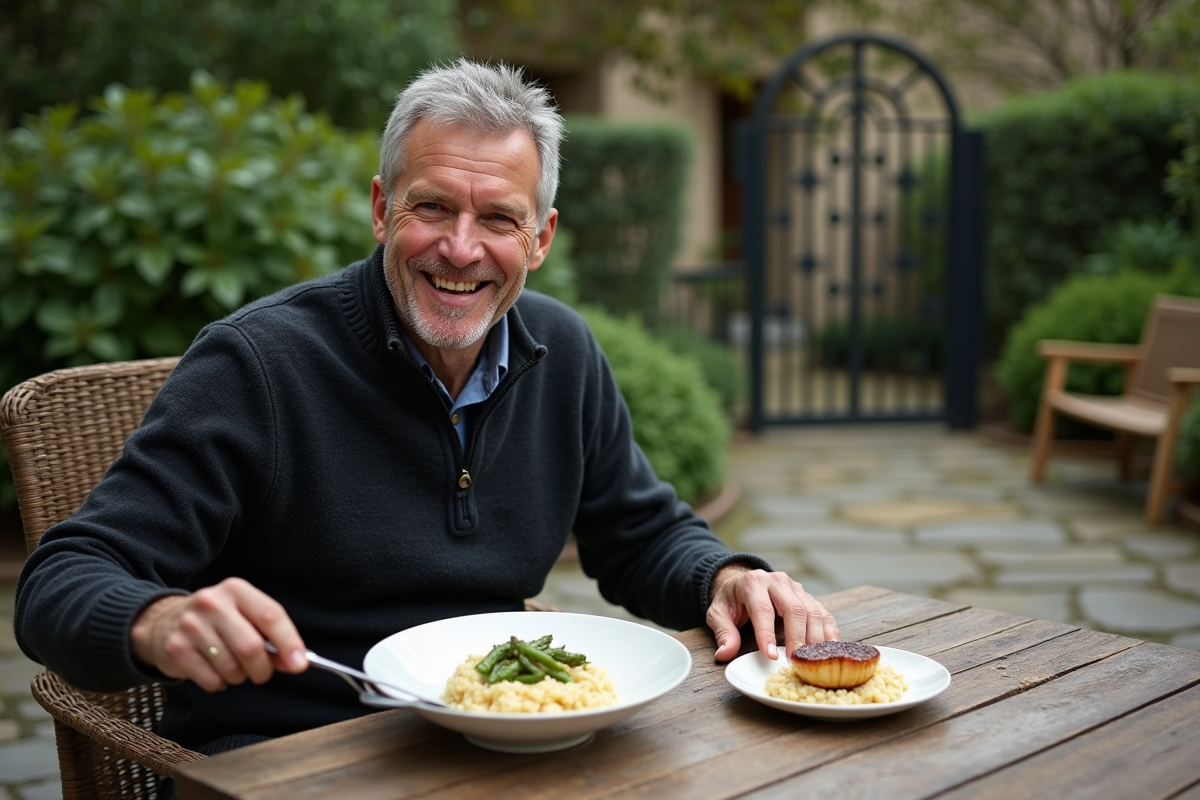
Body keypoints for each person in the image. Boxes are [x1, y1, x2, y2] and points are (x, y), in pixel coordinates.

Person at [14, 58, 838, 771]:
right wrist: (158, 620)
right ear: (382, 209)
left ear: (541, 237)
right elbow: (61, 580)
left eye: (499, 218)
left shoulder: (563, 350)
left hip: (493, 747)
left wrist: (724, 578)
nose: (461, 248)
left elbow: (641, 533)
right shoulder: (256, 366)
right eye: (433, 207)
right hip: (289, 756)